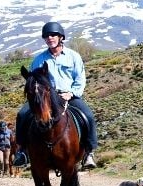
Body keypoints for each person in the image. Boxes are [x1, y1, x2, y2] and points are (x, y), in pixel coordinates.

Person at [12, 22, 98, 168]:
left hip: (69, 96)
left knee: (88, 115)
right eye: (46, 36)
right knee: (22, 114)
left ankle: (89, 152)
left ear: (60, 37)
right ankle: (22, 151)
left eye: (53, 35)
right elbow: (33, 81)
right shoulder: (38, 60)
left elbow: (80, 79)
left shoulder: (74, 57)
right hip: (45, 97)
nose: (49, 38)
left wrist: (71, 93)